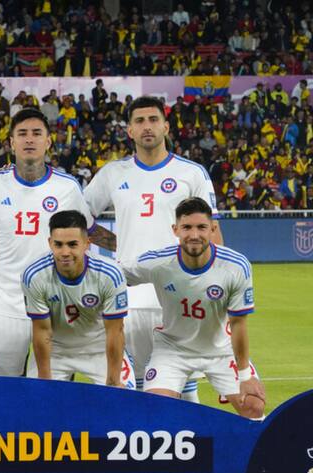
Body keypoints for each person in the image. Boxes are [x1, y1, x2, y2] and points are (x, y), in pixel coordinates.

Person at [83, 95, 254, 402]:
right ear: (129, 131)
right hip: (130, 295)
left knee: (184, 386)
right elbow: (80, 222)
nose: (147, 127)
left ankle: (193, 448)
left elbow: (212, 232)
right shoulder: (112, 173)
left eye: (153, 120)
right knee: (139, 389)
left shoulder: (192, 173)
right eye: (139, 121)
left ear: (165, 126)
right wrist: (116, 245)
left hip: (181, 296)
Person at [0, 108, 111, 377]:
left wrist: (127, 246)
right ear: (11, 142)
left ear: (48, 141)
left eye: (36, 133)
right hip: (7, 303)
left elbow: (90, 232)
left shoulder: (67, 186)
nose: (29, 139)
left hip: (57, 304)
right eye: (22, 134)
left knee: (52, 390)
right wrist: (2, 240)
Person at [120, 198, 265, 418]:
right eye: (187, 227)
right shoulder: (158, 263)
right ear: (175, 229)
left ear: (213, 229)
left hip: (220, 350)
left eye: (201, 227)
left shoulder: (235, 266)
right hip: (172, 349)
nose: (194, 235)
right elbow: (113, 275)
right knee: (155, 410)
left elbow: (238, 324)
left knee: (254, 406)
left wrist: (245, 376)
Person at [21, 210, 134, 389]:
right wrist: (44, 381)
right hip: (56, 350)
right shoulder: (34, 275)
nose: (65, 252)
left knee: (123, 400)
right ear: (50, 243)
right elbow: (42, 332)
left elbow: (115, 331)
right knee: (41, 406)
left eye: (72, 244)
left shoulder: (110, 274)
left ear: (86, 244)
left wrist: (113, 382)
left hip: (98, 347)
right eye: (58, 244)